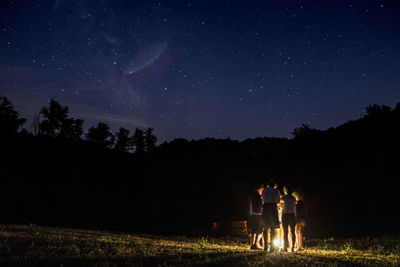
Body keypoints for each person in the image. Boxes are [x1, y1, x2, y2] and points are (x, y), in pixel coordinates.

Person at [262, 181, 280, 252]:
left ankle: (265, 246)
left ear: (268, 185)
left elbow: (263, 199)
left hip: (265, 207)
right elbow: (278, 201)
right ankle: (272, 246)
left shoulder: (264, 191)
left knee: (265, 227)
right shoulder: (276, 191)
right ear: (274, 186)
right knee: (273, 228)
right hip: (272, 207)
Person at [280, 186, 296, 252]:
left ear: (286, 191)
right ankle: (292, 247)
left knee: (285, 232)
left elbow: (279, 202)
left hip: (285, 215)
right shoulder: (294, 198)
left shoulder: (284, 197)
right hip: (292, 215)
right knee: (292, 232)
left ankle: (285, 247)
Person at [248, 184, 264, 250]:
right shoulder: (258, 196)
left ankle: (252, 245)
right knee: (258, 230)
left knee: (253, 230)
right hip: (257, 214)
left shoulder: (252, 195)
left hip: (252, 214)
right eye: (262, 190)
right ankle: (255, 245)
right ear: (260, 189)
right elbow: (260, 206)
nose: (262, 192)